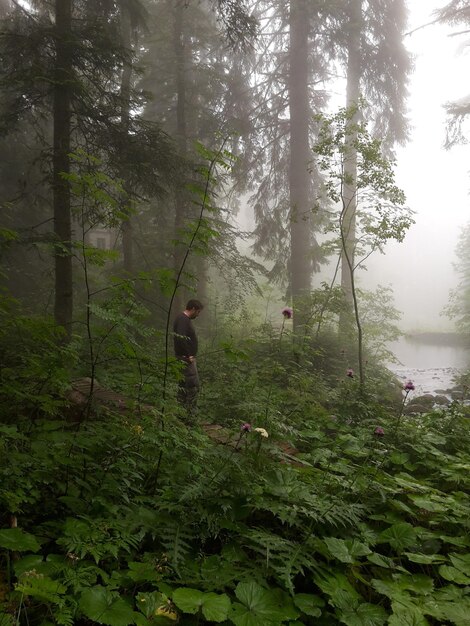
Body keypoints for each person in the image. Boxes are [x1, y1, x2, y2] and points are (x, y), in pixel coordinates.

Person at [173, 299, 204, 417]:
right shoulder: (183, 319)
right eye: (198, 312)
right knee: (192, 387)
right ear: (193, 309)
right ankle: (189, 417)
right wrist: (187, 356)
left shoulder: (182, 319)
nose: (198, 314)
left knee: (183, 388)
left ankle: (180, 415)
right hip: (185, 360)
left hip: (183, 359)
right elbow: (180, 338)